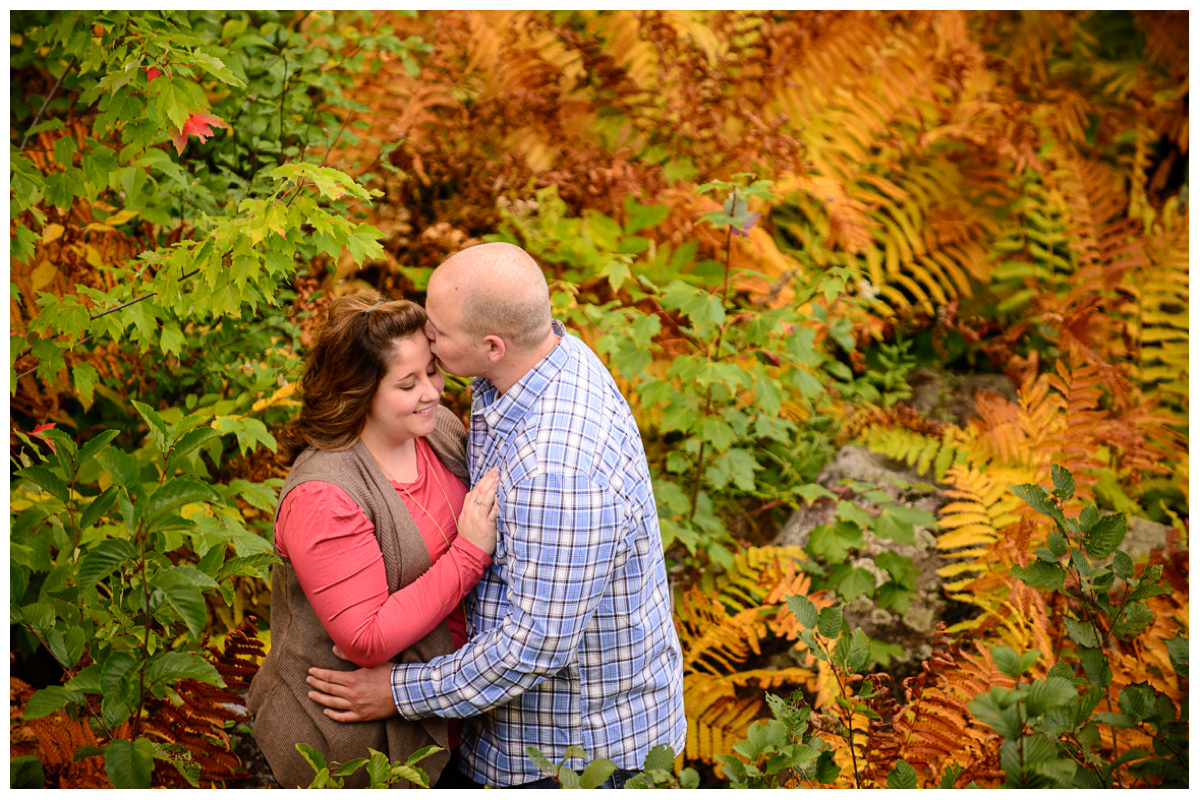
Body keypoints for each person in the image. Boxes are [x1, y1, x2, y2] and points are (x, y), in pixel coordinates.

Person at [305, 243, 687, 788]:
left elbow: (531, 648)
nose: (426, 338)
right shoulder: (537, 363)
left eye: (436, 330)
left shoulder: (558, 470)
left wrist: (397, 690)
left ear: (492, 345)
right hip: (513, 733)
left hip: (571, 757)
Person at [247, 292, 500, 789]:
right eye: (407, 383)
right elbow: (365, 638)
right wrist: (470, 553)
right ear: (357, 391)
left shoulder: (436, 430)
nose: (431, 391)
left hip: (439, 713)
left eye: (432, 371)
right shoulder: (326, 495)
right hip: (349, 745)